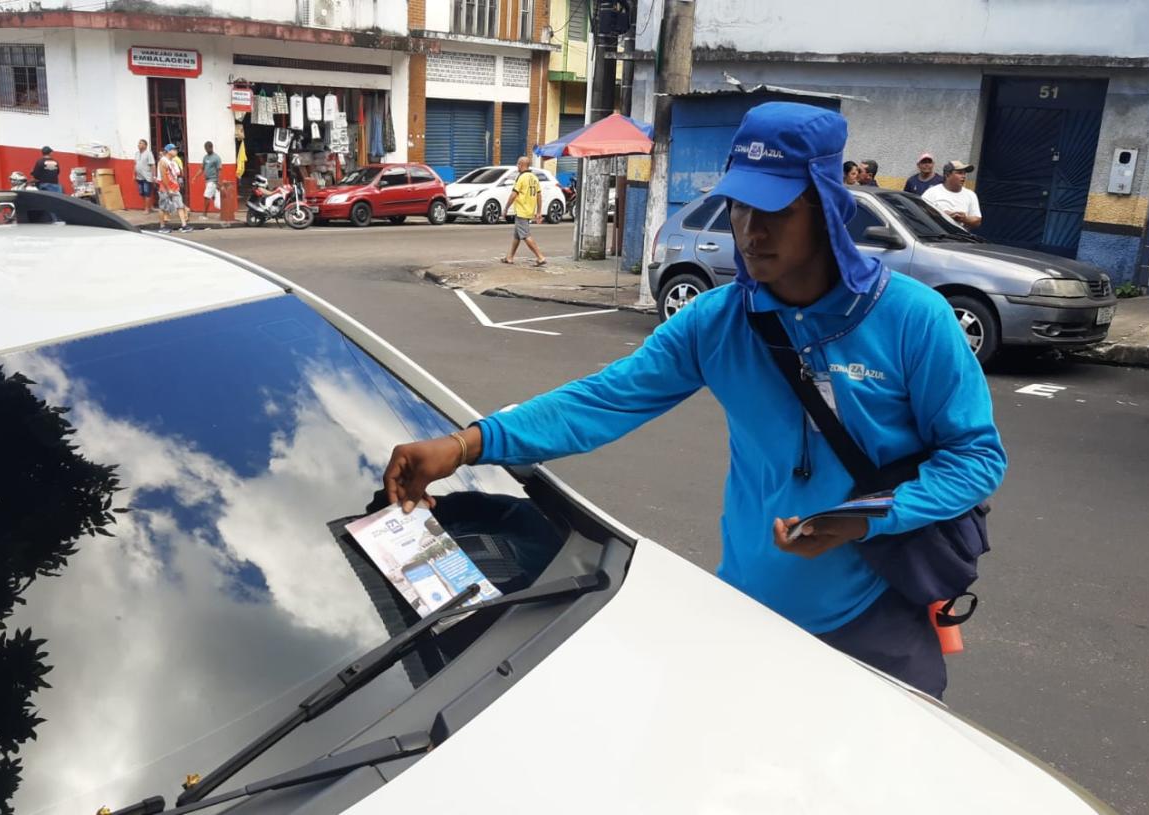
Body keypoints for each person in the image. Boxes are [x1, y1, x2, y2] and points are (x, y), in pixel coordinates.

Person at [382, 102, 1006, 699]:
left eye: (776, 209)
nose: (750, 230)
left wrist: (867, 517)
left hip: (875, 627)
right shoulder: (717, 322)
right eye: (739, 206)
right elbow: (603, 399)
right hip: (744, 612)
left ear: (825, 205)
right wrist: (466, 444)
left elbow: (975, 460)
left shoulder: (912, 318)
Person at [502, 156, 546, 266]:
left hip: (522, 210)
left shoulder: (521, 177)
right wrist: (539, 211)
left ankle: (540, 257)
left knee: (526, 235)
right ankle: (510, 257)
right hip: (529, 210)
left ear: (521, 165)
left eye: (518, 164)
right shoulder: (534, 177)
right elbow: (539, 195)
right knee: (517, 235)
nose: (517, 166)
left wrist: (506, 208)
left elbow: (513, 194)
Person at [922, 161, 982, 230]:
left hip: (960, 236)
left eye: (964, 173)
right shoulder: (931, 192)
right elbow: (920, 214)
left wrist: (964, 218)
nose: (963, 176)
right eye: (959, 173)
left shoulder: (971, 195)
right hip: (935, 234)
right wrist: (942, 215)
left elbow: (977, 221)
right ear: (947, 175)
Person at [156, 143, 192, 233]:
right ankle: (162, 226)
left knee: (180, 205)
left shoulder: (173, 161)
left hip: (174, 187)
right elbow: (163, 176)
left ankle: (184, 225)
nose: (176, 151)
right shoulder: (163, 161)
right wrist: (168, 188)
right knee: (163, 207)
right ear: (168, 151)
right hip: (165, 188)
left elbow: (176, 174)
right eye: (174, 149)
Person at [193, 141, 223, 219]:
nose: (206, 150)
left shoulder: (216, 158)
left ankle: (204, 215)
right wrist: (195, 177)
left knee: (206, 197)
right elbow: (202, 168)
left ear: (211, 147)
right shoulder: (205, 157)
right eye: (205, 149)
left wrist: (219, 182)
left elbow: (219, 171)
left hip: (213, 181)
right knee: (214, 198)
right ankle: (224, 212)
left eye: (207, 148)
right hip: (207, 180)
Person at [134, 139, 156, 211]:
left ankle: (147, 209)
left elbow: (153, 165)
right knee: (142, 193)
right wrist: (133, 174)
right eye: (139, 143)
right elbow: (135, 164)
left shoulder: (148, 153)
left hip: (147, 177)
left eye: (141, 143)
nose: (139, 144)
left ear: (145, 145)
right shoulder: (137, 153)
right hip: (139, 177)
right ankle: (150, 206)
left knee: (147, 193)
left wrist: (154, 176)